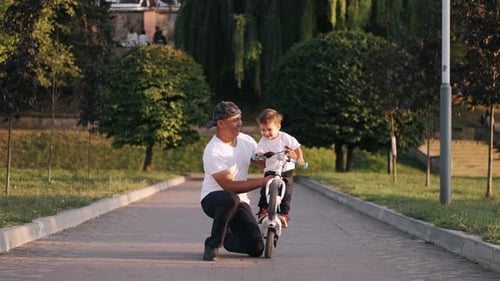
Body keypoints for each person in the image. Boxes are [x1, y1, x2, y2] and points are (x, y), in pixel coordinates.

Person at [200, 101, 273, 261]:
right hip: (214, 199)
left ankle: (227, 237)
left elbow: (262, 163)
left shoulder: (246, 141)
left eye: (240, 119)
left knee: (256, 248)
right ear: (220, 123)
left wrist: (280, 158)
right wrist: (262, 182)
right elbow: (229, 186)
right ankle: (212, 245)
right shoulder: (214, 151)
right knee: (230, 198)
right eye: (235, 120)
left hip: (239, 201)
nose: (240, 123)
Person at [254, 108, 305, 228]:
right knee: (264, 188)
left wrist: (300, 158)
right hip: (271, 169)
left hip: (285, 168)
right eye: (263, 130)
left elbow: (297, 147)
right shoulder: (263, 140)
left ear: (278, 126)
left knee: (287, 191)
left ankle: (284, 214)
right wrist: (260, 154)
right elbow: (259, 150)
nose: (266, 133)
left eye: (269, 130)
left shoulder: (285, 137)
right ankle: (263, 210)